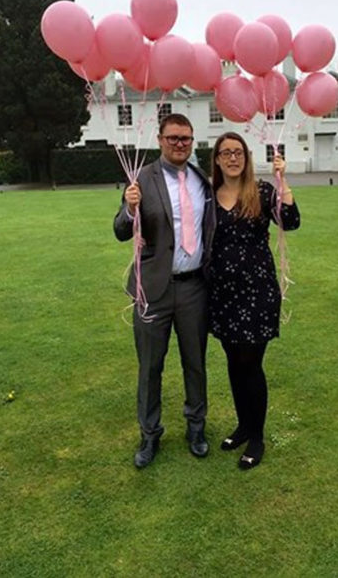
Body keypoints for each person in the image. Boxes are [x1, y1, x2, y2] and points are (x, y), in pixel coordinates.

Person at [114, 113, 216, 469]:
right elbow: (120, 230)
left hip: (194, 290)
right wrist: (129, 209)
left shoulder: (203, 180)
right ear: (160, 140)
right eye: (173, 138)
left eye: (186, 138)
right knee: (150, 367)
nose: (180, 144)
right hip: (153, 290)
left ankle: (196, 428)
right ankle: (149, 434)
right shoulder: (141, 177)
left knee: (195, 364)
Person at [209, 132, 300, 470]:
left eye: (238, 152)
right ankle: (243, 425)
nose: (232, 158)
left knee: (251, 364)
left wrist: (283, 180)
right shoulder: (209, 197)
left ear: (246, 158)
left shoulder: (261, 192)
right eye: (225, 153)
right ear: (217, 159)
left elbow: (290, 221)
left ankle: (257, 435)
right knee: (234, 363)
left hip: (257, 293)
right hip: (223, 295)